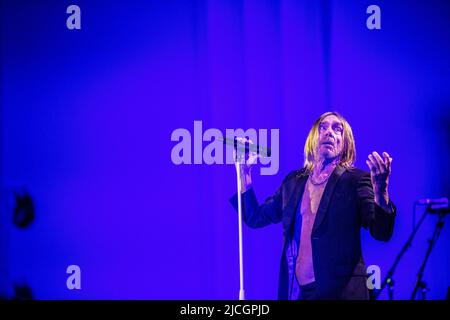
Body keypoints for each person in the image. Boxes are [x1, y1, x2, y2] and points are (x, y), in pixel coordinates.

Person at [230, 111, 396, 300]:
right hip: (301, 293)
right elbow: (255, 217)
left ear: (345, 143)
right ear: (313, 139)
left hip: (342, 294)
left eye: (337, 129)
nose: (329, 132)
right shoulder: (294, 182)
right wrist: (244, 173)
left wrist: (381, 191)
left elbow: (381, 231)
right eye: (323, 127)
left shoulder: (356, 180)